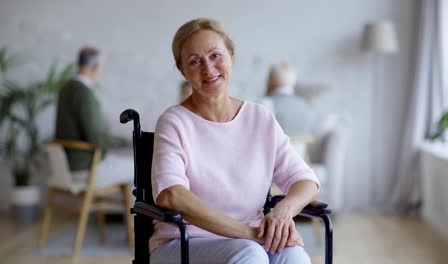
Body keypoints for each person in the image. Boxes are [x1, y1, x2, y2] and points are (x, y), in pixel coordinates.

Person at [150, 18, 320, 264]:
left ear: (231, 55)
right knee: (250, 254)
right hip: (184, 242)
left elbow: (306, 181)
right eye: (195, 61)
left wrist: (283, 212)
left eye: (215, 55)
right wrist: (250, 234)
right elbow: (171, 195)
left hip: (254, 239)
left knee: (294, 257)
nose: (208, 69)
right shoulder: (174, 121)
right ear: (182, 70)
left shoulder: (260, 118)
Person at [54, 46, 132, 187]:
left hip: (65, 166)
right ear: (96, 67)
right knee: (136, 166)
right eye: (102, 68)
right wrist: (128, 142)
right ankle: (133, 210)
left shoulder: (66, 88)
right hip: (83, 167)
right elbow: (96, 138)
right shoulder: (83, 93)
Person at [264, 63, 314, 137]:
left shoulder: (266, 104)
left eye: (269, 78)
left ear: (272, 81)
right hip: (299, 148)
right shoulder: (306, 106)